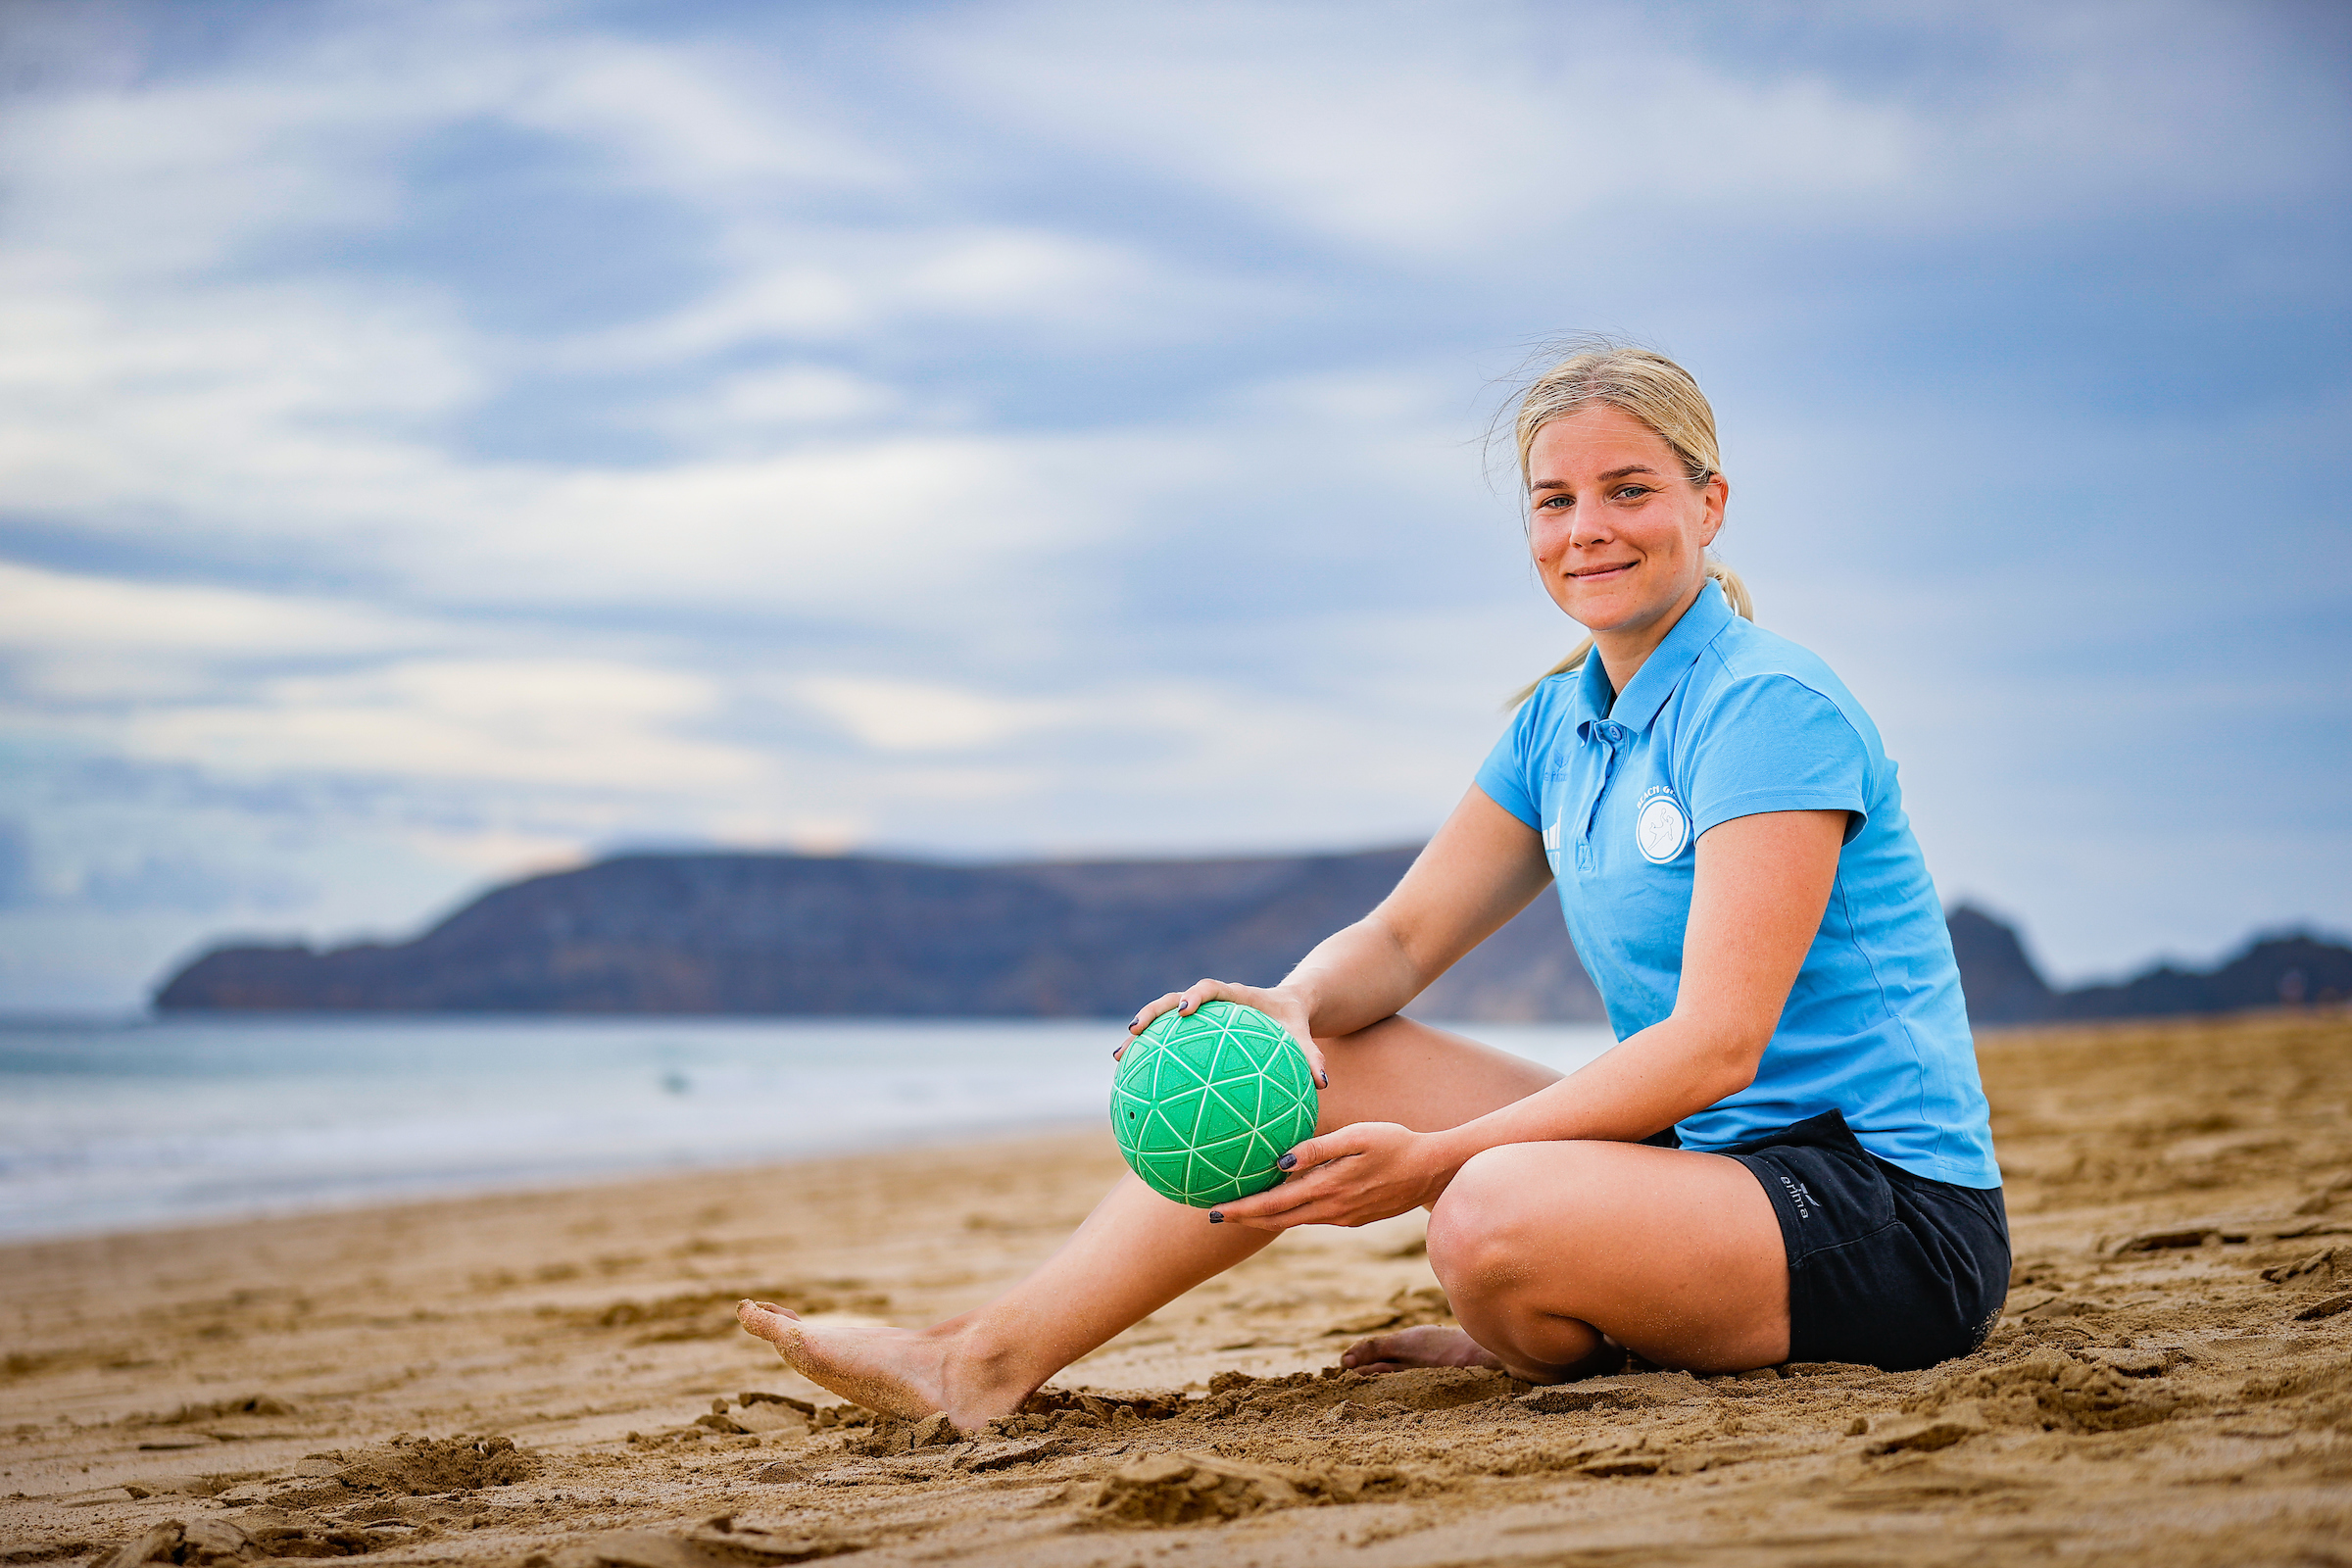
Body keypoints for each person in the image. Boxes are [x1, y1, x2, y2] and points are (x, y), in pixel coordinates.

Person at [739, 342, 2009, 1429]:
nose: (1588, 529)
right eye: (1555, 500)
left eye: (1629, 490)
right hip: (1712, 1169)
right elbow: (1401, 940)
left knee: (1488, 1213)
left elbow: (1717, 1045)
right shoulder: (1557, 724)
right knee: (1311, 1058)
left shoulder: (1766, 706)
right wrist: (1290, 1008)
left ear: (1710, 502)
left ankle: (1587, 1304)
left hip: (1888, 1214)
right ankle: (982, 1360)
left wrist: (1435, 1164)